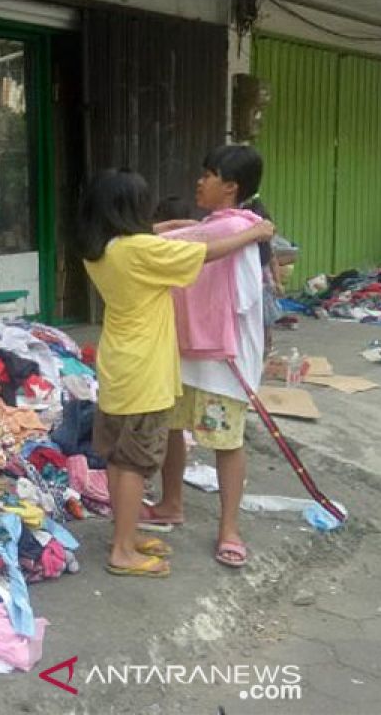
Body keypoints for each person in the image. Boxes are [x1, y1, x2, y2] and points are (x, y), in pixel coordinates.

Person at [80, 168, 274, 578]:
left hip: (118, 365)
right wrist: (254, 234)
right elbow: (206, 254)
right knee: (134, 462)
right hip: (145, 371)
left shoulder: (101, 247)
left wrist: (172, 225)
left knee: (118, 458)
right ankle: (122, 551)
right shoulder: (140, 251)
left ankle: (127, 537)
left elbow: (147, 236)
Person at [142, 145, 269, 569]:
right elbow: (186, 236)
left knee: (226, 441)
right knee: (175, 428)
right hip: (191, 349)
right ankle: (171, 503)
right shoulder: (227, 225)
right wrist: (184, 222)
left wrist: (177, 227)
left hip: (221, 358)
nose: (199, 181)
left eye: (208, 175)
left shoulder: (232, 226)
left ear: (230, 187)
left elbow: (149, 242)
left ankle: (229, 529)